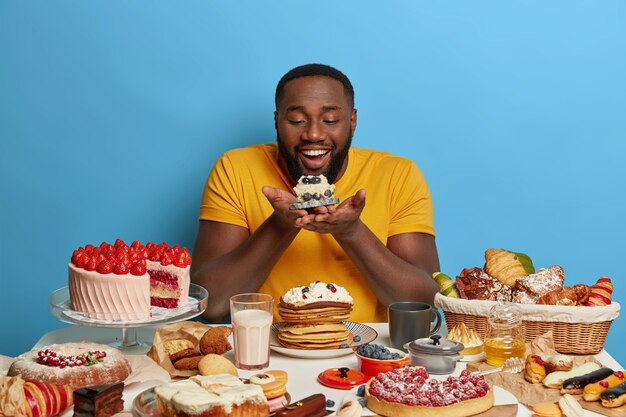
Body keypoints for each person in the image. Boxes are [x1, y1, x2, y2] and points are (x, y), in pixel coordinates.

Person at [191, 63, 440, 323]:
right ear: (276, 121)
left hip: (365, 355)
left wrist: (352, 233)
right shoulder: (236, 168)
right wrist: (281, 225)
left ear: (352, 121)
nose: (313, 134)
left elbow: (428, 305)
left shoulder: (398, 175)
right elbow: (211, 305)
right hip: (267, 353)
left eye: (330, 120)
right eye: (297, 121)